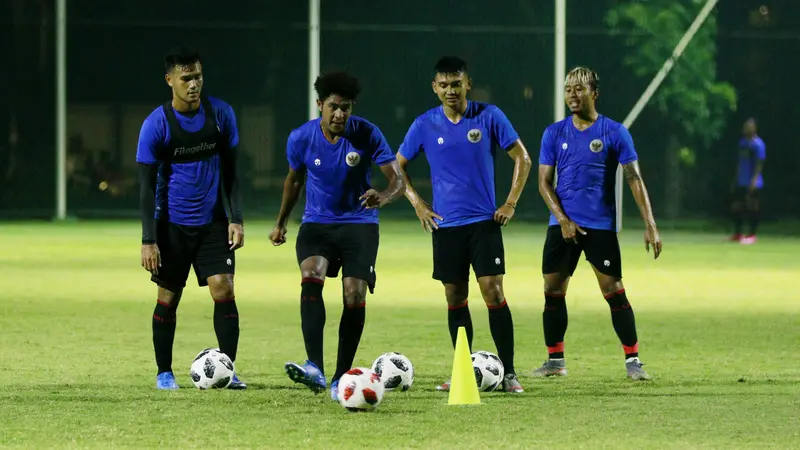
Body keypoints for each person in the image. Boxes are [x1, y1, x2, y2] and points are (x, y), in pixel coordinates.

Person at [396, 56, 532, 394]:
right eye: (443, 85)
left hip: (484, 224)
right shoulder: (424, 125)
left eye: (456, 84)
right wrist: (418, 204)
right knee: (455, 297)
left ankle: (510, 373)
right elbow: (396, 167)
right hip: (447, 228)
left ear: (467, 84)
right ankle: (462, 368)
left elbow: (523, 158)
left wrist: (510, 203)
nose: (450, 90)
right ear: (435, 88)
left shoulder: (489, 116)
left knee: (494, 293)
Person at [269, 71, 405, 401]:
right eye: (333, 107)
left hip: (360, 223)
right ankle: (314, 365)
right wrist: (281, 222)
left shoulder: (368, 134)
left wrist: (384, 196)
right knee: (311, 273)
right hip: (317, 223)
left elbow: (398, 180)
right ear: (320, 105)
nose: (340, 114)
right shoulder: (301, 138)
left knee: (354, 294)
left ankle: (340, 375)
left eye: (346, 107)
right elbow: (294, 181)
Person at [535, 66, 662, 381]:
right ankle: (555, 361)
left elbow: (634, 177)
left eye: (579, 89)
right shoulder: (554, 133)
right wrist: (563, 220)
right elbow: (543, 183)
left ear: (595, 92)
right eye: (568, 90)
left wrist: (650, 224)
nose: (572, 95)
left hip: (600, 227)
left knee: (613, 290)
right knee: (553, 290)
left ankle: (633, 361)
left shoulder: (615, 132)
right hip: (561, 226)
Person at [137, 47, 246, 390]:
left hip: (213, 223)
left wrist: (236, 218)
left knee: (224, 289)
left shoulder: (220, 115)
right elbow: (145, 187)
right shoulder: (157, 124)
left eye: (197, 76)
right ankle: (164, 372)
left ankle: (227, 371)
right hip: (170, 227)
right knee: (168, 298)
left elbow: (231, 173)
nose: (194, 83)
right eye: (186, 78)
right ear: (170, 80)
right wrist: (148, 240)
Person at [729, 118, 766, 244]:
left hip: (754, 181)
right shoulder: (743, 143)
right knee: (737, 206)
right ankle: (738, 234)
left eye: (749, 127)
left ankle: (752, 234)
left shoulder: (758, 144)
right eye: (745, 126)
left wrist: (754, 180)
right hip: (741, 180)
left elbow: (759, 164)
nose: (746, 129)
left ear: (754, 128)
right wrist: (736, 178)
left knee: (752, 206)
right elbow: (740, 162)